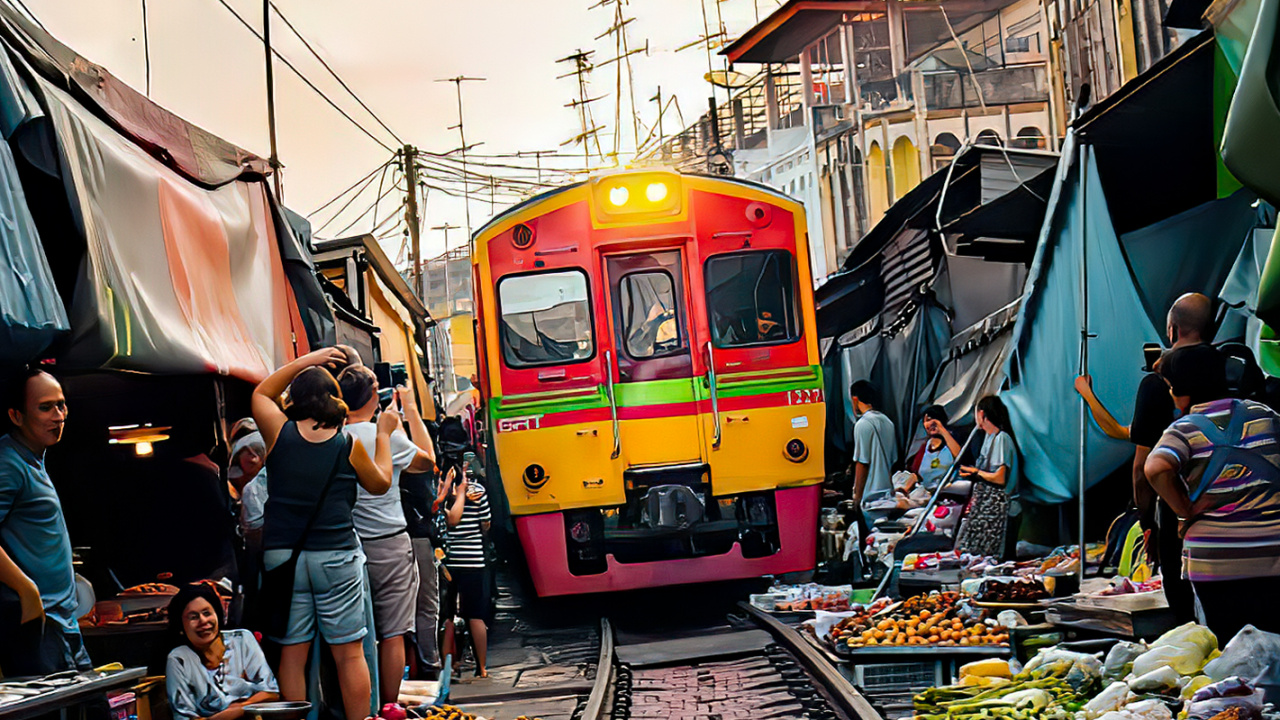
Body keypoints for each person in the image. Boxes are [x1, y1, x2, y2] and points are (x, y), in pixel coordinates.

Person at [252, 348, 396, 720]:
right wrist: (383, 435)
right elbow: (380, 484)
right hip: (336, 555)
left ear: (295, 400)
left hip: (283, 556)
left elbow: (261, 393)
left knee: (292, 650)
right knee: (348, 652)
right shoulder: (347, 445)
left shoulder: (278, 434)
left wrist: (306, 361)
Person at [1074, 292, 1222, 622]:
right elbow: (1126, 431)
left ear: (1172, 330)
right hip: (1239, 510)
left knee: (1188, 610)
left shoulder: (1157, 385)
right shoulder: (1228, 374)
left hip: (1181, 516)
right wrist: (1088, 395)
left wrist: (1147, 523)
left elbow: (1144, 466)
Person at [1143, 348, 1279, 639]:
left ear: (1182, 389)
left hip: (1215, 563)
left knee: (1230, 656)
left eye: (1170, 387)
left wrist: (1184, 510)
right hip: (1273, 554)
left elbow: (1155, 468)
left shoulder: (1183, 429)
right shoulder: (1264, 415)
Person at [337, 366, 437, 704]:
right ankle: (388, 706)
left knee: (355, 635)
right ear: (372, 395)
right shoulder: (383, 435)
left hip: (350, 545)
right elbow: (428, 462)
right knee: (394, 633)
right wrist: (408, 411)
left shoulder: (336, 436)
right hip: (390, 544)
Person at [0, 368, 90, 675]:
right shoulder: (8, 461)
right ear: (16, 416)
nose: (58, 415)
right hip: (41, 625)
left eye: (61, 405)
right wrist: (27, 590)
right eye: (45, 407)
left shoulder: (33, 459)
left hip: (62, 622)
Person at [165, 583, 279, 720]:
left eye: (207, 613)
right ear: (180, 626)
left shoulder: (241, 640)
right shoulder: (179, 659)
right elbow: (184, 716)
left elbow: (270, 693)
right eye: (193, 617)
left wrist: (238, 710)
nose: (203, 621)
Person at [955, 395, 1020, 559]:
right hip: (987, 508)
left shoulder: (1002, 439)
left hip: (1001, 509)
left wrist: (976, 473)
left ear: (982, 414)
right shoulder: (988, 438)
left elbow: (1000, 478)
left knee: (996, 558)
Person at [441, 467, 490, 679]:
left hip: (449, 562)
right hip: (474, 560)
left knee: (448, 615)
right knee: (476, 615)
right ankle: (482, 669)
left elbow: (444, 526)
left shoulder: (441, 492)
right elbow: (486, 523)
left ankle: (448, 667)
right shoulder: (478, 491)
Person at [848, 380, 897, 508]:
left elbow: (862, 463)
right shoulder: (888, 422)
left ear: (855, 399)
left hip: (870, 497)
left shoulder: (862, 424)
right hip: (888, 495)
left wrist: (857, 497)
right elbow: (893, 460)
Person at [898, 405, 958, 507]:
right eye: (925, 421)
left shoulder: (952, 442)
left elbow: (959, 456)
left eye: (931, 420)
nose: (929, 424)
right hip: (926, 495)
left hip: (946, 496)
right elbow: (915, 474)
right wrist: (905, 489)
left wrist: (942, 429)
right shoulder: (925, 447)